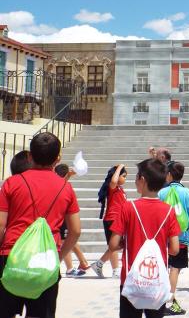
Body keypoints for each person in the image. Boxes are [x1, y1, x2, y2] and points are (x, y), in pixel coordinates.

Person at [0, 132, 81, 318]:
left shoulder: (12, 183)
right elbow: (75, 231)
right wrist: (58, 257)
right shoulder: (65, 187)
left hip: (10, 257)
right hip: (46, 260)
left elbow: (0, 224)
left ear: (29, 156)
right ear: (58, 158)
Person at [109, 158, 181, 318]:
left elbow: (113, 244)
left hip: (131, 278)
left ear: (142, 180)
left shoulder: (128, 207)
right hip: (157, 281)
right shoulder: (169, 211)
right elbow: (175, 249)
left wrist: (127, 243)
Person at [158, 162, 189, 315]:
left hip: (162, 237)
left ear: (169, 174)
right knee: (175, 269)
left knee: (164, 267)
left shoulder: (162, 192)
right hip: (180, 237)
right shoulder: (187, 193)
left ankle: (161, 299)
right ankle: (169, 299)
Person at [91, 164, 128, 278]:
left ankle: (99, 264)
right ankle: (115, 270)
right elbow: (113, 181)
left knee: (116, 246)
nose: (125, 178)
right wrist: (119, 168)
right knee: (114, 246)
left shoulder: (120, 190)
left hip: (118, 220)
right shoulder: (113, 187)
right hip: (112, 219)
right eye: (124, 176)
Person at [54, 163, 90, 277]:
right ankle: (71, 268)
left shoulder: (57, 182)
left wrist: (68, 174)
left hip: (59, 216)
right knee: (66, 240)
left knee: (67, 239)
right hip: (62, 216)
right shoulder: (64, 186)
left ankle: (81, 262)